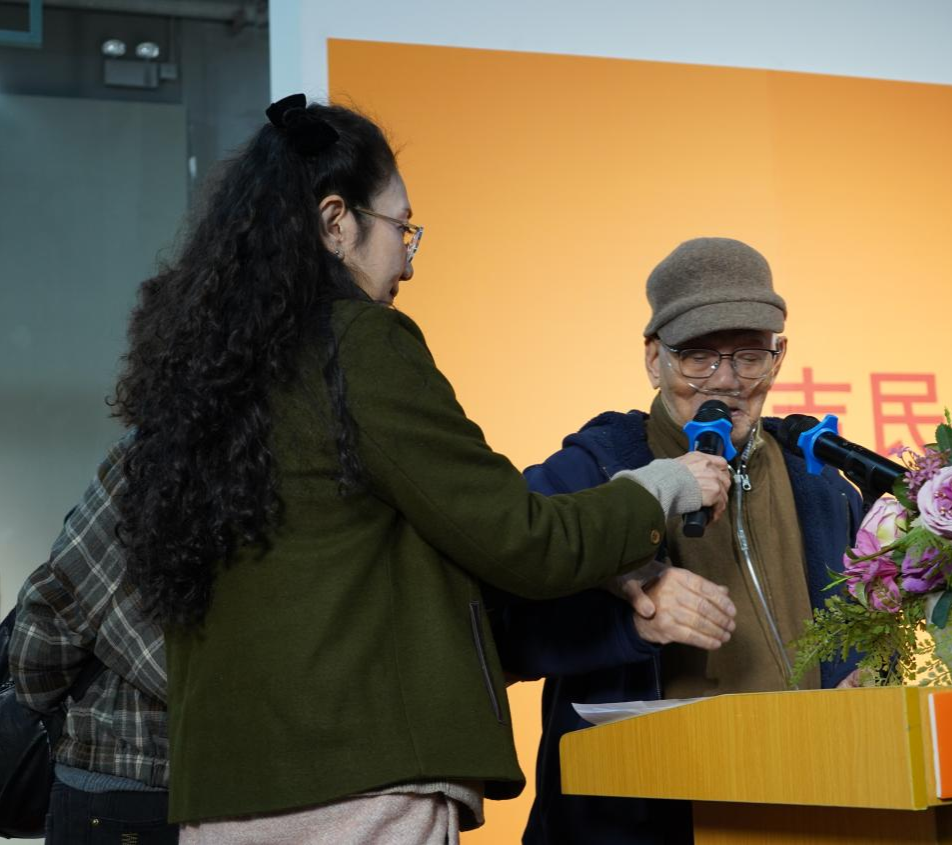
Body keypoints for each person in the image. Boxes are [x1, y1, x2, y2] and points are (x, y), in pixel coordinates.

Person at [111, 95, 731, 842]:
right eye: (401, 227)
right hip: (358, 786)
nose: (407, 259)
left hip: (224, 799)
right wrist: (662, 485)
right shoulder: (359, 344)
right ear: (336, 222)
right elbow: (520, 537)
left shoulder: (210, 376)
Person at [491, 237, 863, 845]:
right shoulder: (591, 471)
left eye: (750, 356)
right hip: (637, 824)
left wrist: (866, 679)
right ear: (653, 358)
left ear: (779, 357)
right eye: (698, 357)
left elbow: (866, 635)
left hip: (805, 810)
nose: (727, 381)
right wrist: (631, 622)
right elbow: (498, 634)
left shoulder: (823, 486)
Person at [10, 435, 176, 844]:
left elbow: (52, 610)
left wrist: (40, 702)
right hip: (254, 793)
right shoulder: (310, 462)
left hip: (120, 778)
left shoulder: (163, 451)